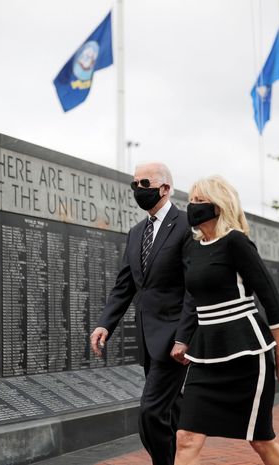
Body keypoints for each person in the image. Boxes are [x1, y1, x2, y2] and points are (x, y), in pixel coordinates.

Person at [173, 175, 279, 465]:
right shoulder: (193, 248)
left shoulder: (236, 243)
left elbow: (271, 299)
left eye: (199, 201)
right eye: (190, 200)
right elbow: (193, 300)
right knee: (186, 438)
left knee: (260, 439)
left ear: (218, 205)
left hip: (247, 353)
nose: (192, 207)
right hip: (205, 355)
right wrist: (183, 338)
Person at [90, 162, 197, 465]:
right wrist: (104, 324)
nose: (139, 189)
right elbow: (125, 286)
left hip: (174, 341)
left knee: (150, 413)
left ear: (165, 188)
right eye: (134, 184)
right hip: (148, 342)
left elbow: (193, 289)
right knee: (171, 411)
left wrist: (185, 337)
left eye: (145, 183)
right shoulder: (136, 232)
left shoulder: (186, 226)